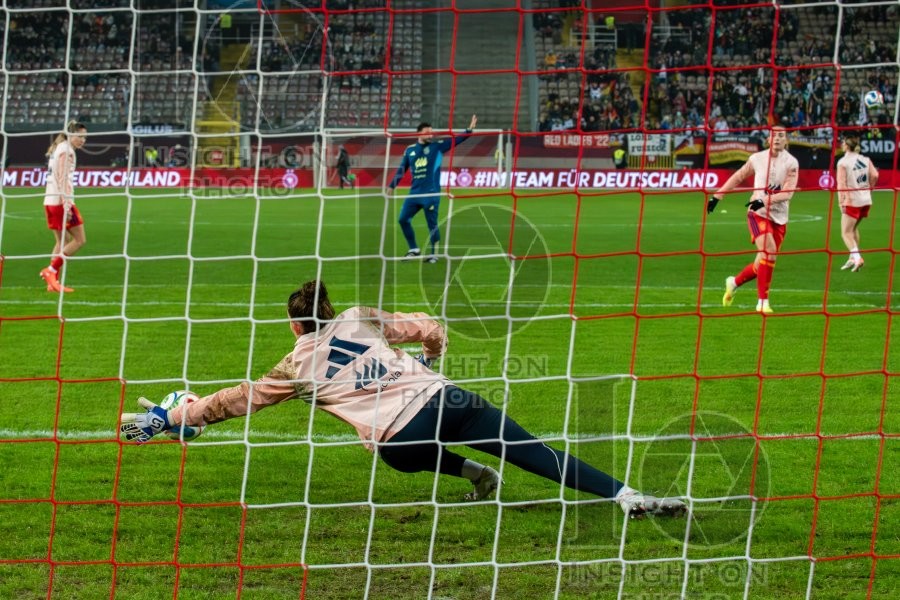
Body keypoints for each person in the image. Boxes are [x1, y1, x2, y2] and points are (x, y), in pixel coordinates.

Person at [121, 280, 687, 520]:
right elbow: (429, 326)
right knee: (536, 452)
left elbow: (235, 401)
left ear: (295, 327)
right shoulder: (359, 317)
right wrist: (432, 361)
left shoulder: (295, 366)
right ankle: (626, 495)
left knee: (393, 453)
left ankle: (472, 474)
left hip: (400, 436)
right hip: (449, 399)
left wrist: (172, 416)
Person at [707, 126, 799, 314]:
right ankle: (762, 302)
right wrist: (718, 196)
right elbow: (739, 176)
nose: (778, 138)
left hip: (779, 217)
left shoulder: (792, 163)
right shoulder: (757, 159)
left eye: (782, 136)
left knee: (762, 263)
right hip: (757, 214)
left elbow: (788, 194)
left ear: (786, 140)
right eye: (774, 135)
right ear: (768, 139)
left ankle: (733, 283)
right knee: (769, 250)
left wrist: (763, 200)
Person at [388, 115, 477, 264]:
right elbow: (402, 169)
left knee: (432, 224)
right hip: (414, 194)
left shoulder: (437, 147)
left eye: (431, 132)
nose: (430, 135)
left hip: (431, 193)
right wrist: (392, 186)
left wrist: (469, 129)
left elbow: (457, 140)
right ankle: (414, 249)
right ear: (419, 134)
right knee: (403, 220)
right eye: (427, 132)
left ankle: (434, 254)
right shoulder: (409, 150)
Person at [39, 120, 88, 294]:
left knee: (62, 241)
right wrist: (67, 206)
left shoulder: (59, 148)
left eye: (85, 137)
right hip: (61, 202)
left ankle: (53, 284)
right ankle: (50, 271)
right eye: (80, 136)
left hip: (50, 201)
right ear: (70, 134)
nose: (83, 140)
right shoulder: (67, 151)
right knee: (80, 240)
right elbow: (63, 180)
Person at [835, 135, 879, 272]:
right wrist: (869, 189)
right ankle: (852, 258)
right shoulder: (865, 159)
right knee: (853, 229)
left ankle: (858, 258)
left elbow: (841, 184)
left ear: (847, 146)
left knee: (846, 232)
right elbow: (875, 175)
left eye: (843, 143)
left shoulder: (843, 162)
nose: (841, 144)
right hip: (865, 200)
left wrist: (841, 202)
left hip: (852, 201)